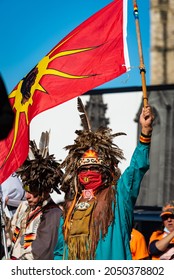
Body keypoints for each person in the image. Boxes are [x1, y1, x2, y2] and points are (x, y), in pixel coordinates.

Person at [54, 97, 154, 260]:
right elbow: (60, 252)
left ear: (106, 172)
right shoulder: (69, 209)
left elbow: (136, 170)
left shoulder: (119, 198)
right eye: (84, 169)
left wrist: (146, 132)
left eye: (94, 168)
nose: (88, 173)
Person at [5, 131, 64, 260]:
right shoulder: (23, 207)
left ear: (45, 190)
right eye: (25, 188)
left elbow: (39, 254)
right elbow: (10, 237)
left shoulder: (52, 214)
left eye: (32, 190)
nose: (27, 196)